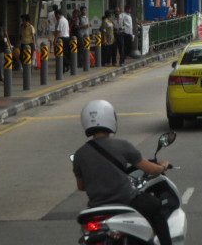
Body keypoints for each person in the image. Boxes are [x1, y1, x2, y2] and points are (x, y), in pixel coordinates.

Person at [73, 100, 173, 245]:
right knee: (156, 207)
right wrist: (163, 166)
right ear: (110, 118)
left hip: (96, 208)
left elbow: (81, 186)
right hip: (127, 201)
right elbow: (151, 169)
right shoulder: (122, 145)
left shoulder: (79, 154)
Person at [54, 7, 73, 74]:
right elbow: (68, 30)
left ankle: (67, 64)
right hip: (67, 38)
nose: (55, 17)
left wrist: (55, 40)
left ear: (58, 14)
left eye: (55, 15)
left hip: (61, 39)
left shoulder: (60, 20)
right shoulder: (66, 20)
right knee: (65, 53)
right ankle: (64, 68)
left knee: (59, 54)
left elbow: (58, 31)